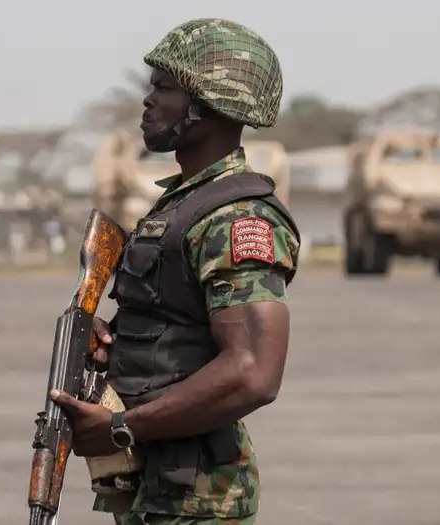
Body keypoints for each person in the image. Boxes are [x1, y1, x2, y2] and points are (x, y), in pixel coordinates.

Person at [47, 17, 299, 525]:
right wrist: (120, 341)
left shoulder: (237, 217)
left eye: (164, 88)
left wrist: (121, 428)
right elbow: (178, 327)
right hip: (160, 487)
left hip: (200, 498)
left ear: (208, 104)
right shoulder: (183, 205)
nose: (147, 100)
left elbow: (253, 373)